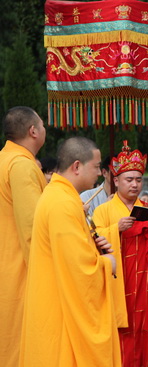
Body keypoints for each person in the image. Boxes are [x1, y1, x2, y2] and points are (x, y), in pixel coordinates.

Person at [20, 137, 120, 366]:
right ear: (77, 166)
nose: (98, 173)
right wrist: (108, 264)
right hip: (60, 315)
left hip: (56, 304)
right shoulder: (62, 204)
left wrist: (95, 248)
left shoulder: (61, 197)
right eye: (96, 167)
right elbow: (79, 269)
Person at [93, 141, 148, 367]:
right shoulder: (103, 211)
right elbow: (92, 240)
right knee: (122, 331)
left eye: (138, 180)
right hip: (119, 280)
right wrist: (114, 230)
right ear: (116, 180)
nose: (134, 185)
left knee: (147, 327)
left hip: (146, 280)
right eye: (129, 180)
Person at [0, 106, 46, 367]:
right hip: (20, 270)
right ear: (33, 131)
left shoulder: (4, 159)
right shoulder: (21, 166)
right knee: (19, 346)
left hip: (6, 264)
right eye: (42, 124)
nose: (44, 129)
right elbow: (32, 229)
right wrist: (46, 272)